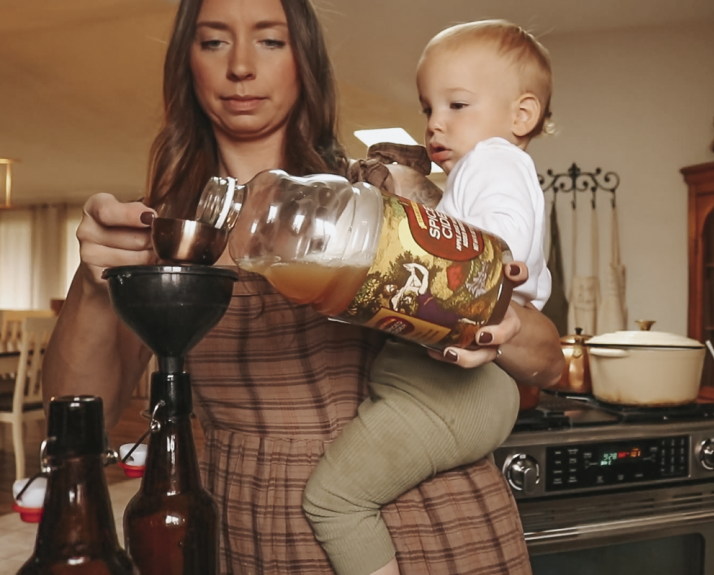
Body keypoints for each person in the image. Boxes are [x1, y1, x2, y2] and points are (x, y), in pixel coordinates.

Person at [40, 0, 563, 573]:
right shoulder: (169, 238)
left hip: (437, 521)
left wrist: (492, 322)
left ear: (305, 60)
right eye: (214, 41)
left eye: (270, 41)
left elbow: (548, 362)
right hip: (253, 528)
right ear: (187, 64)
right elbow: (77, 419)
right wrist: (93, 287)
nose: (241, 65)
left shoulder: (388, 194)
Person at [302, 20, 553, 575]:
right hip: (447, 389)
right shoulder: (472, 174)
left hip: (445, 394)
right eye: (428, 107)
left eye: (457, 104)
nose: (435, 123)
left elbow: (497, 249)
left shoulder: (495, 161)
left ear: (522, 115)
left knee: (335, 502)